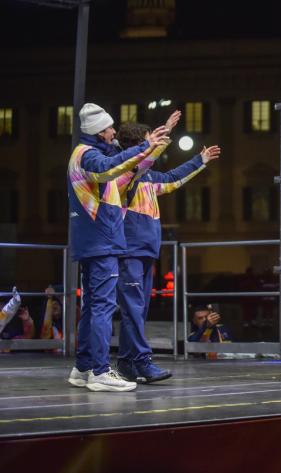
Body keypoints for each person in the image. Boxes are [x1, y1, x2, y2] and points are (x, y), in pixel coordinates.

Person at [67, 103, 169, 392]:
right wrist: (146, 145)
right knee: (102, 307)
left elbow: (130, 165)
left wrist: (152, 145)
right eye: (110, 128)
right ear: (100, 131)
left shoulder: (84, 153)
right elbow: (110, 166)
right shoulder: (89, 155)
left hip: (94, 240)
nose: (114, 132)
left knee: (92, 307)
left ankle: (83, 367)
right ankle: (100, 371)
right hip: (102, 240)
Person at [114, 118, 220, 384]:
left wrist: (200, 160)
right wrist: (165, 135)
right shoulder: (126, 175)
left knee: (137, 311)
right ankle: (142, 361)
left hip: (146, 251)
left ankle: (126, 363)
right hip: (130, 251)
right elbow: (141, 164)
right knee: (133, 310)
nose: (154, 145)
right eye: (148, 140)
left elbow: (173, 179)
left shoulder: (148, 177)